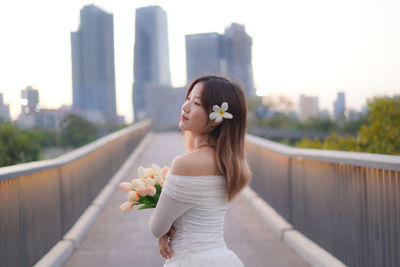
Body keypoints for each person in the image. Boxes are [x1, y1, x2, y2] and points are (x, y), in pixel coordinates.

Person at [149, 75, 251, 266]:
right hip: (222, 258)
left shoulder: (185, 164)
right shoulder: (228, 163)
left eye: (196, 103)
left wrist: (163, 229)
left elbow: (157, 227)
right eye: (188, 99)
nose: (185, 106)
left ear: (216, 119)